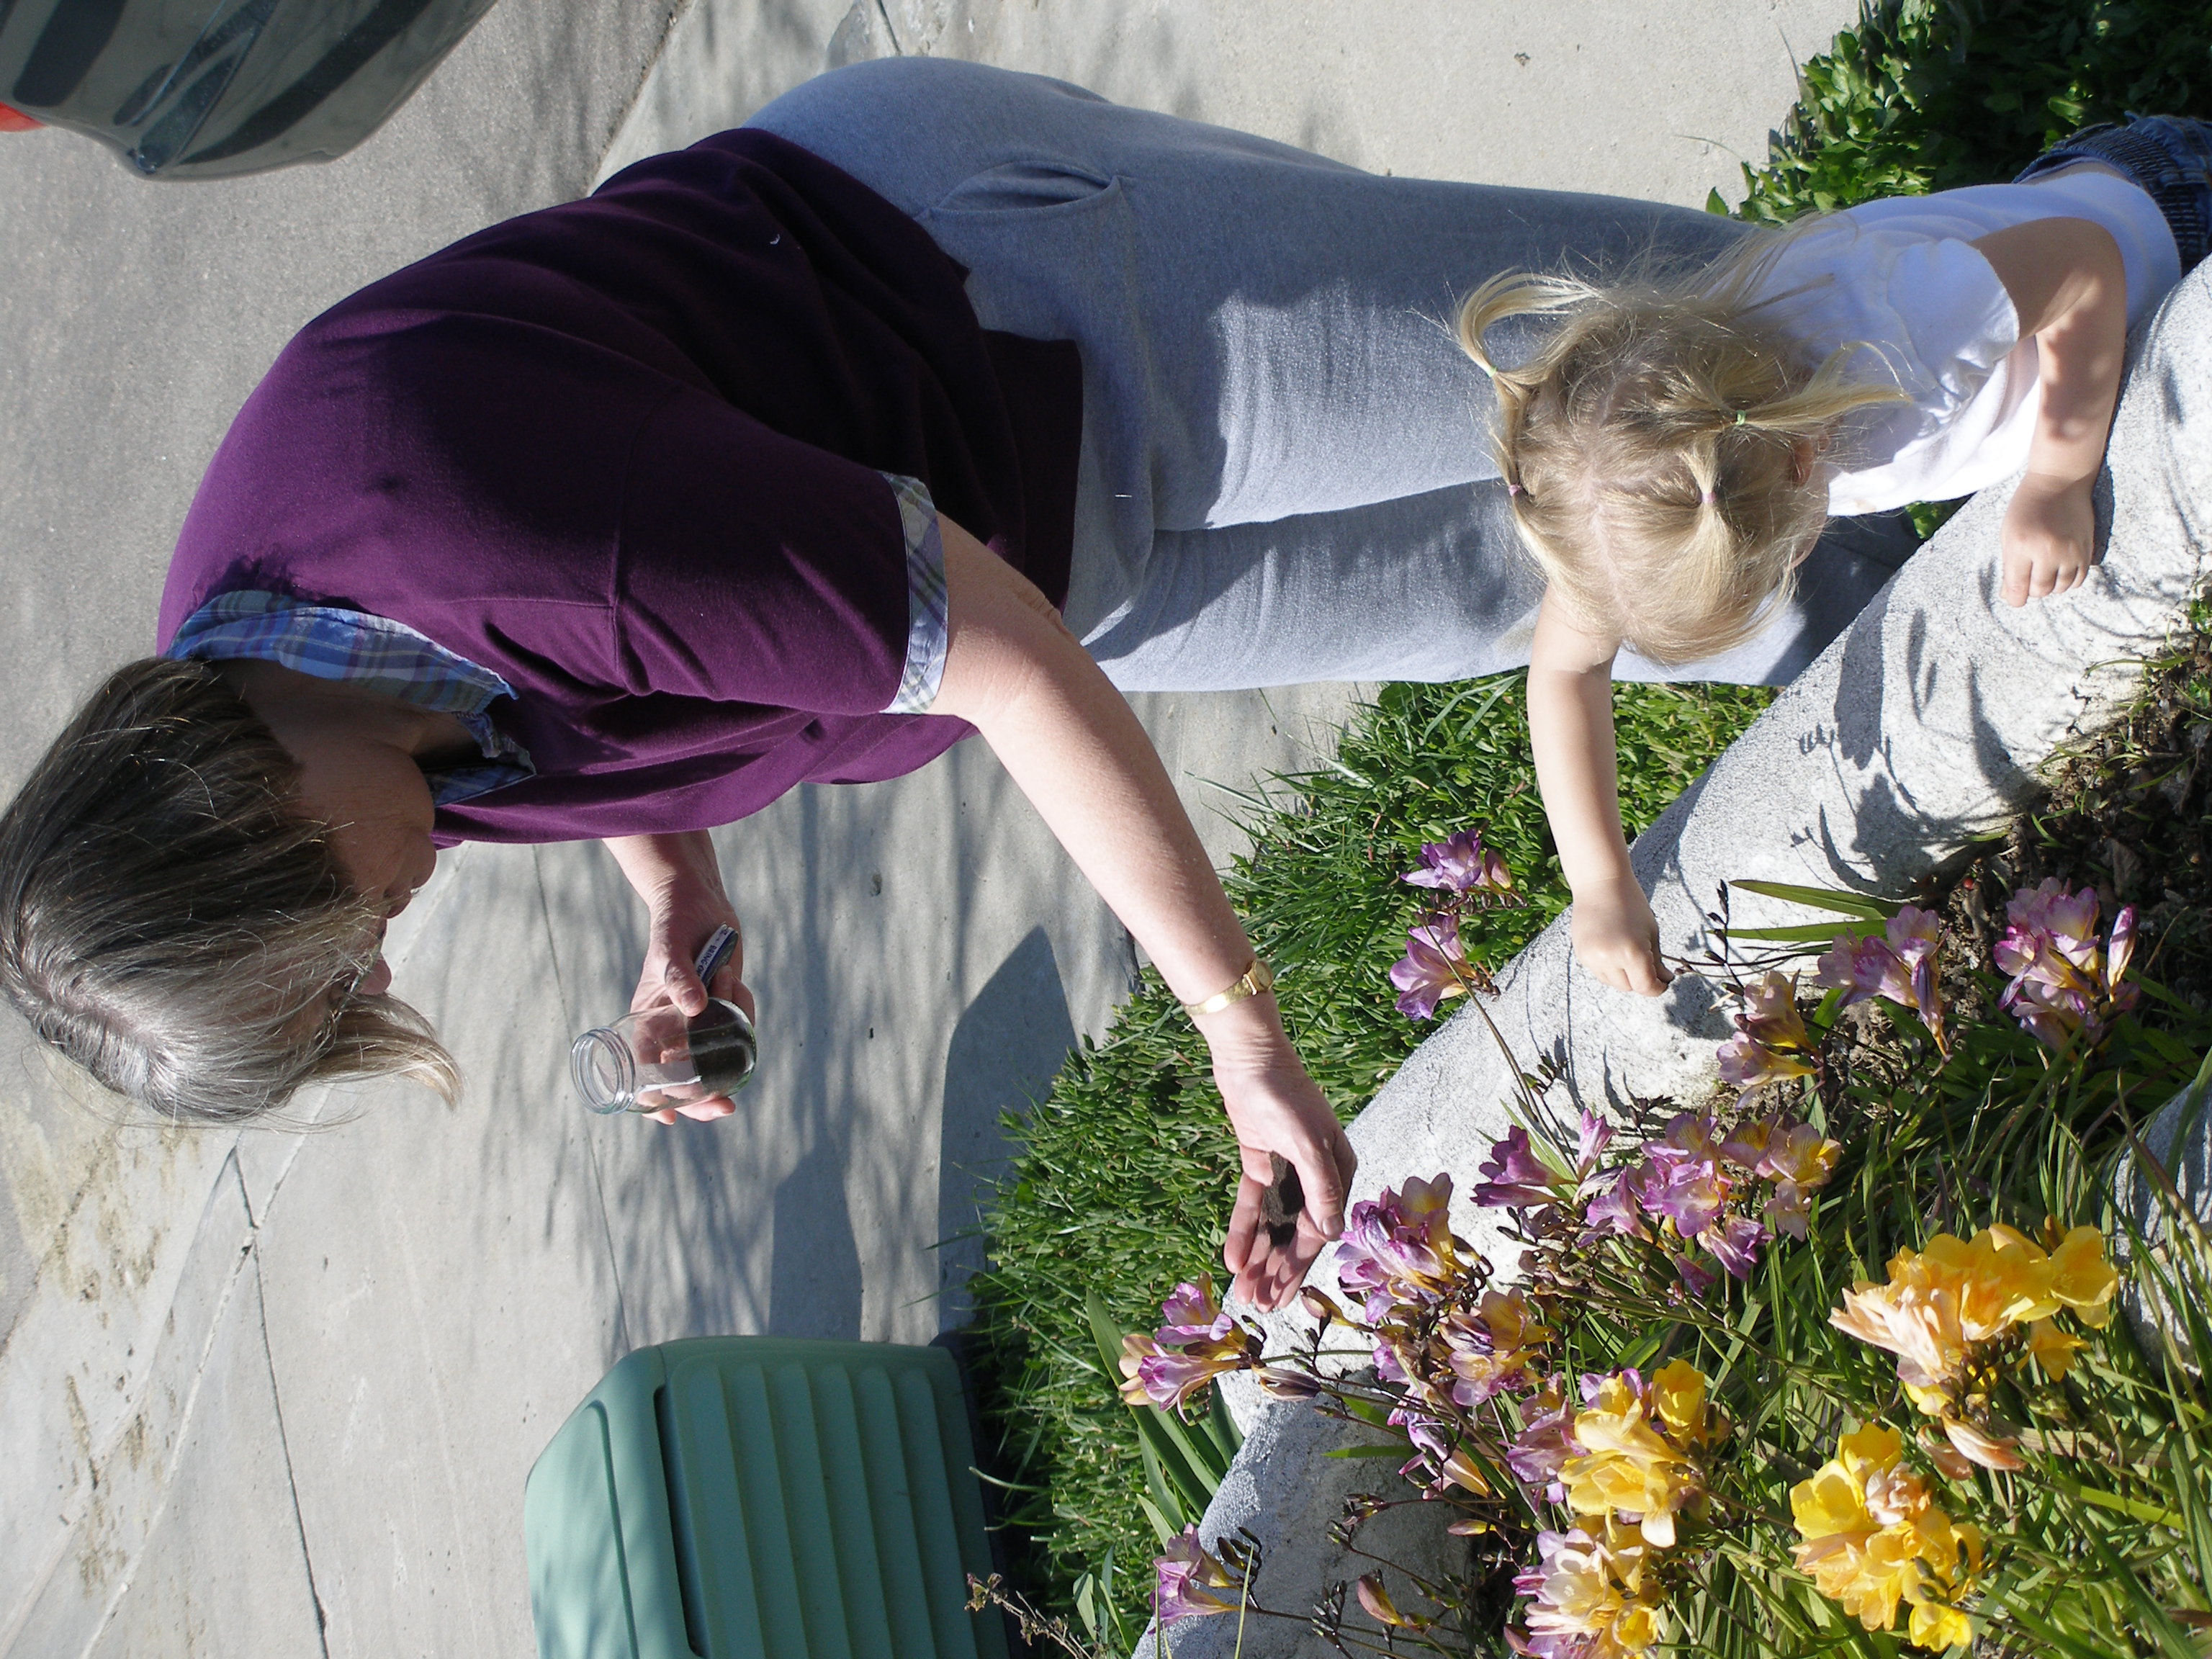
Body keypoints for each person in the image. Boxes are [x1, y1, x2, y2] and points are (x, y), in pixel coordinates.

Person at [0, 60, 1907, 1310]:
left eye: (335, 947)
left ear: (232, 806)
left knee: (1677, 380)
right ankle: (1948, 611)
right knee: (1524, 578)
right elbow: (572, 697)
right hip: (996, 535)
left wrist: (1243, 1035)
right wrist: (674, 899)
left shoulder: (471, 525)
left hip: (1008, 296)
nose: (382, 960)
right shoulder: (291, 686)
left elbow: (979, 660)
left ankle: (2139, 246)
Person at [1460, 114, 2212, 999]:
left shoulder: (1906, 342)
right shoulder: (1659, 470)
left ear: (1806, 466)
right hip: (2047, 265)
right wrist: (1598, 883)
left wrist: (2055, 476)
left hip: (2167, 218)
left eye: (1779, 566)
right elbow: (1563, 671)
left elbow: (2085, 261)